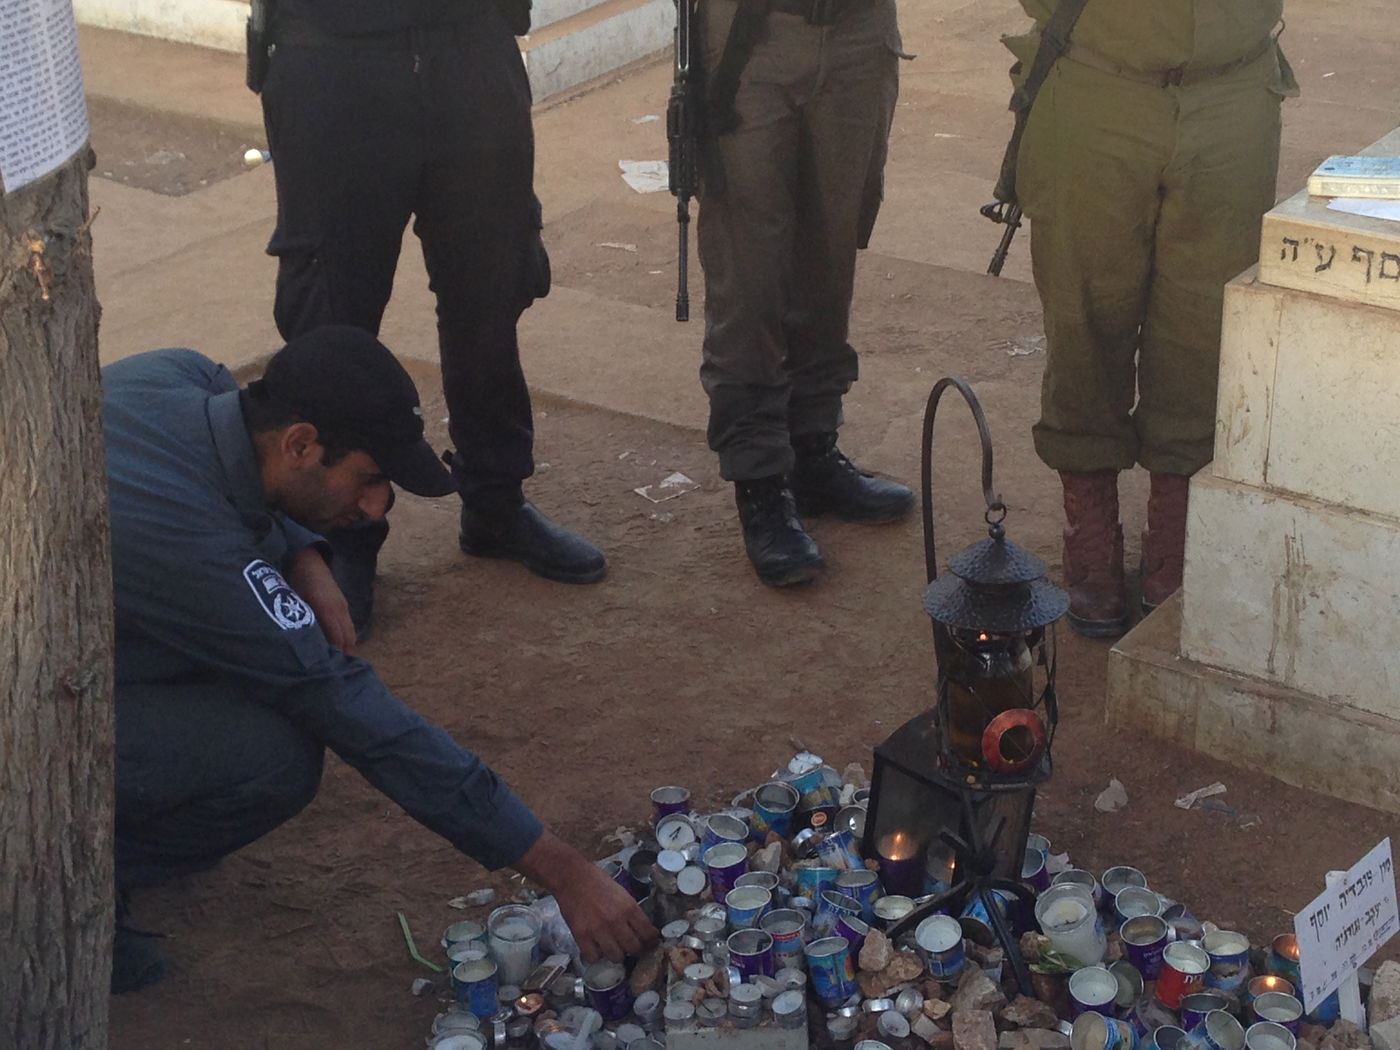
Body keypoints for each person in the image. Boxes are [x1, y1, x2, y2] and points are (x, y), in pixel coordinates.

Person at [104, 326, 656, 993]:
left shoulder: (177, 376)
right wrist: (564, 872)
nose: (376, 506)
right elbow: (348, 708)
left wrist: (303, 553)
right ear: (301, 444)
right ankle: (65, 878)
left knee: (243, 664)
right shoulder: (190, 546)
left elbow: (226, 398)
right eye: (368, 479)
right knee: (274, 755)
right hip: (25, 716)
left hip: (80, 626)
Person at [256, 0, 603, 637]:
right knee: (333, 316)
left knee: (491, 293)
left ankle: (496, 502)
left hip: (471, 46)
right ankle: (341, 538)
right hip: (335, 54)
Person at [1005, 0, 1295, 635]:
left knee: (1206, 322)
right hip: (1098, 85)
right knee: (1085, 316)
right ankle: (1090, 531)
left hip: (1233, 93)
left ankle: (1178, 527)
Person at [693, 0, 917, 587]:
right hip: (751, 34)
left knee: (830, 253)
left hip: (858, 33)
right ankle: (760, 479)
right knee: (749, 271)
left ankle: (812, 448)